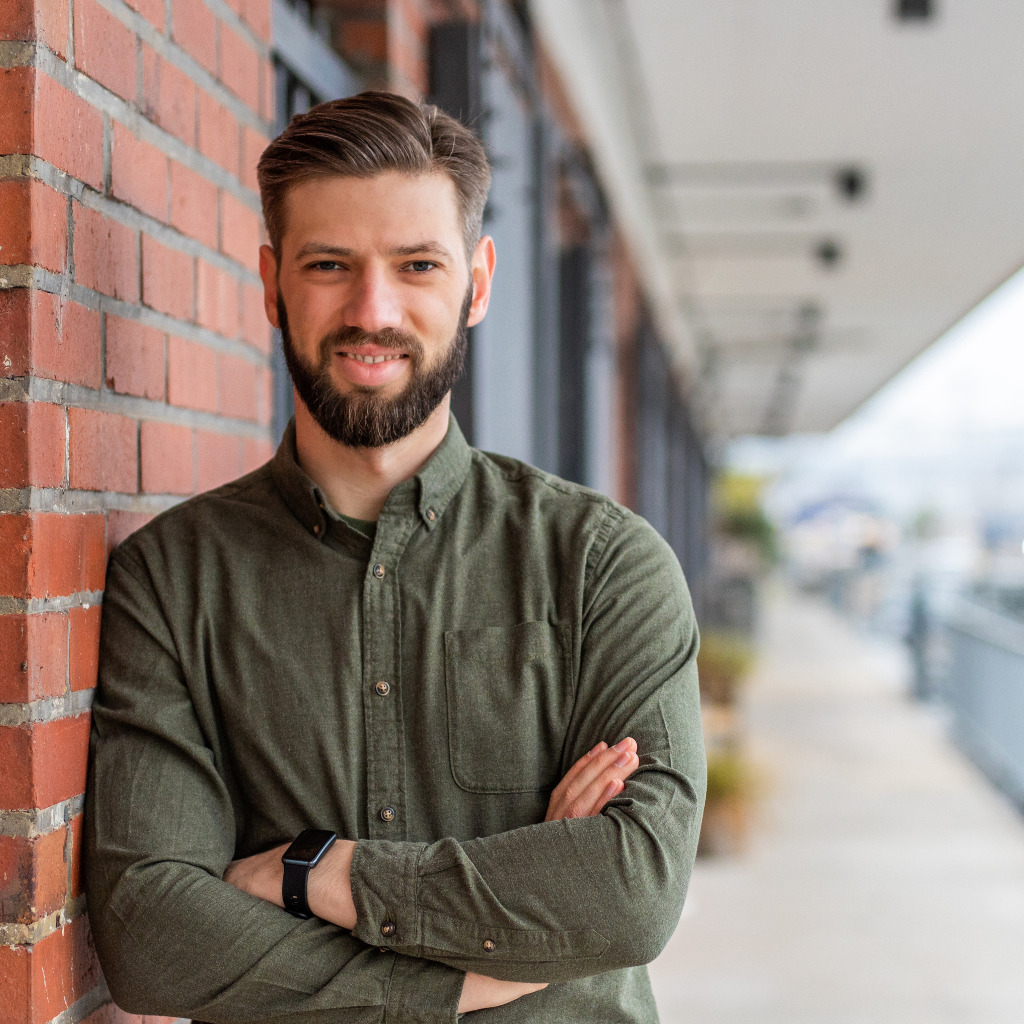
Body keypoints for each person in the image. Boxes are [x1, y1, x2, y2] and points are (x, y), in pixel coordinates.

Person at [85, 91, 706, 1023]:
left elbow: (631, 892)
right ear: (271, 282)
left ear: (478, 281)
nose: (372, 311)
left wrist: (315, 875)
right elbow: (153, 934)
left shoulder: (602, 565)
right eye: (330, 265)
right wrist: (482, 957)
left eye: (418, 265)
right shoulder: (174, 580)